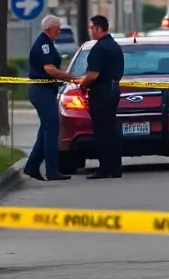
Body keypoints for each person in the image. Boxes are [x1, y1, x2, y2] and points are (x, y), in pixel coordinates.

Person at [24, 15, 78, 182]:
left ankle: (32, 166)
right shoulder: (44, 45)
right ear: (48, 29)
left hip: (46, 90)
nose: (59, 31)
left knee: (46, 129)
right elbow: (50, 70)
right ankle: (52, 170)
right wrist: (70, 77)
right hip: (41, 90)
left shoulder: (47, 43)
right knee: (52, 128)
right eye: (57, 28)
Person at [78, 14, 125, 180]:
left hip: (101, 91)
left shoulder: (100, 48)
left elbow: (92, 74)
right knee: (111, 129)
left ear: (98, 28)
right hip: (113, 89)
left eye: (92, 28)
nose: (90, 31)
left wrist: (82, 85)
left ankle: (104, 168)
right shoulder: (114, 46)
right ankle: (115, 167)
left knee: (101, 130)